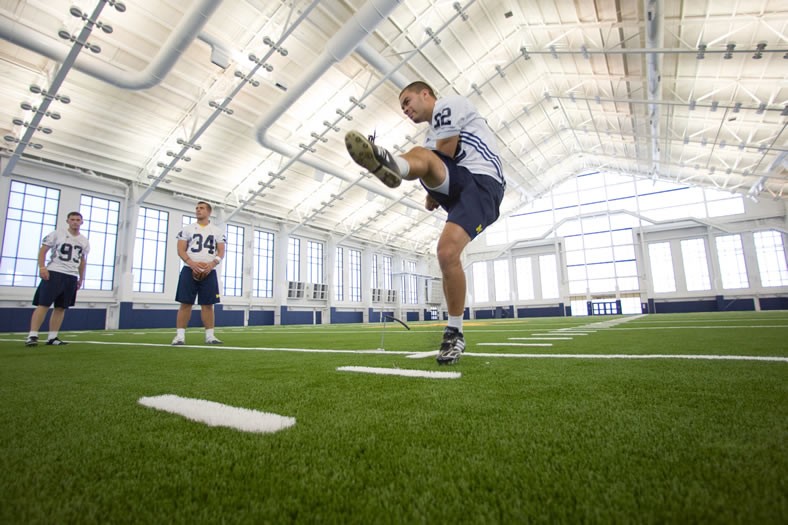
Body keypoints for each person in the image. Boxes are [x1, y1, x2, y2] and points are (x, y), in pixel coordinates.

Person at [345, 81, 506, 365]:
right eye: (402, 106)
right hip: (459, 186)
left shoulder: (449, 105)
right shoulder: (433, 135)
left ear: (426, 94)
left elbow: (444, 152)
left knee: (424, 157)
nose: (406, 109)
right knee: (445, 254)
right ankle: (454, 333)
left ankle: (389, 160)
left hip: (482, 184)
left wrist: (430, 182)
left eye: (408, 101)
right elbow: (436, 169)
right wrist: (431, 187)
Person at [25, 211, 90, 346]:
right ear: (67, 221)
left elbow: (82, 261)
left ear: (82, 222)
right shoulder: (57, 234)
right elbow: (43, 250)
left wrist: (81, 279)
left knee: (61, 307)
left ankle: (53, 337)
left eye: (78, 220)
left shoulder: (84, 241)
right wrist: (42, 267)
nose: (75, 222)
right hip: (55, 272)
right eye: (72, 219)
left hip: (71, 275)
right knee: (43, 304)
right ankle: (32, 335)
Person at [172, 201, 226, 345]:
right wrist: (192, 263)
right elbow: (180, 250)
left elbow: (221, 251)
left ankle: (210, 336)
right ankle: (180, 336)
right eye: (196, 208)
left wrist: (212, 263)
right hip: (189, 269)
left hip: (210, 270)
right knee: (185, 303)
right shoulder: (187, 229)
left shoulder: (217, 231)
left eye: (201, 208)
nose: (198, 210)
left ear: (209, 212)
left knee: (208, 304)